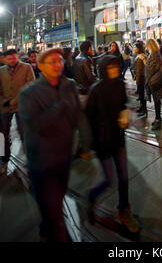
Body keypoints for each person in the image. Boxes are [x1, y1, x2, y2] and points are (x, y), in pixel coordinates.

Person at [18, 48, 90, 242]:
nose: (58, 65)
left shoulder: (69, 85)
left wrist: (86, 142)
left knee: (55, 200)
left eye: (59, 61)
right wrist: (60, 106)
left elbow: (78, 115)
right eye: (52, 62)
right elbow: (35, 124)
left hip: (64, 155)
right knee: (56, 213)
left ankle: (45, 227)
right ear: (40, 66)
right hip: (42, 160)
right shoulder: (28, 93)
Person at [85, 55, 139, 233]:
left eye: (116, 67)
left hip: (118, 137)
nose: (114, 70)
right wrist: (86, 145)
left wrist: (125, 112)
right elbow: (87, 118)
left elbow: (124, 103)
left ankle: (123, 210)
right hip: (102, 141)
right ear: (102, 69)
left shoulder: (120, 85)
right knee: (109, 180)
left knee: (123, 177)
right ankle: (91, 197)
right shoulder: (96, 90)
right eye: (110, 68)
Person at [0, 49, 35, 176]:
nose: (12, 61)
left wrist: (13, 101)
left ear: (17, 57)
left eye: (14, 58)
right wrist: (4, 101)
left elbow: (30, 85)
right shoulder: (1, 70)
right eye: (9, 59)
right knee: (2, 135)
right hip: (4, 108)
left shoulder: (26, 67)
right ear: (6, 59)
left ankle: (31, 162)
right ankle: (4, 161)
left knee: (25, 133)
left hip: (21, 106)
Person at [145, 39, 162, 130]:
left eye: (146, 45)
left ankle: (158, 119)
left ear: (150, 45)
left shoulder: (154, 54)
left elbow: (150, 68)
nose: (146, 47)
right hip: (156, 80)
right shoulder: (155, 53)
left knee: (157, 101)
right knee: (157, 100)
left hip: (155, 81)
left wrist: (145, 63)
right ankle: (157, 118)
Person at [72, 41, 98, 107]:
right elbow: (91, 77)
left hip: (79, 91)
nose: (92, 50)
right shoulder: (86, 60)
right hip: (87, 91)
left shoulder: (77, 58)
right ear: (89, 48)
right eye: (91, 48)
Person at [133, 42, 148, 117]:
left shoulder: (142, 56)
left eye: (135, 47)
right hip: (139, 77)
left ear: (139, 48)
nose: (134, 49)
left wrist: (138, 79)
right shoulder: (138, 55)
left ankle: (144, 110)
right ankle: (142, 107)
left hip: (142, 78)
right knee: (141, 94)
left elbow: (145, 67)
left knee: (142, 95)